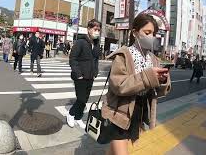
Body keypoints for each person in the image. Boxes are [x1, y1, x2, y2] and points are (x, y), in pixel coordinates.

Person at [102, 14, 171, 155]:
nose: (151, 37)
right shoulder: (124, 55)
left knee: (113, 151)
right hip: (119, 112)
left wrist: (162, 80)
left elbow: (160, 90)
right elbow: (119, 85)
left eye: (154, 33)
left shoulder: (153, 58)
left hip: (138, 110)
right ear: (135, 32)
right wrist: (148, 76)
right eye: (147, 33)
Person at [67, 19, 101, 129]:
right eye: (95, 29)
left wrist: (95, 71)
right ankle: (71, 114)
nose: (97, 32)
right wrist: (78, 74)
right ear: (89, 29)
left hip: (90, 76)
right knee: (81, 98)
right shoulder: (80, 42)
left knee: (85, 99)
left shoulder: (96, 43)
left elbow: (96, 59)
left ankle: (78, 117)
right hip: (80, 76)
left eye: (99, 30)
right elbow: (73, 58)